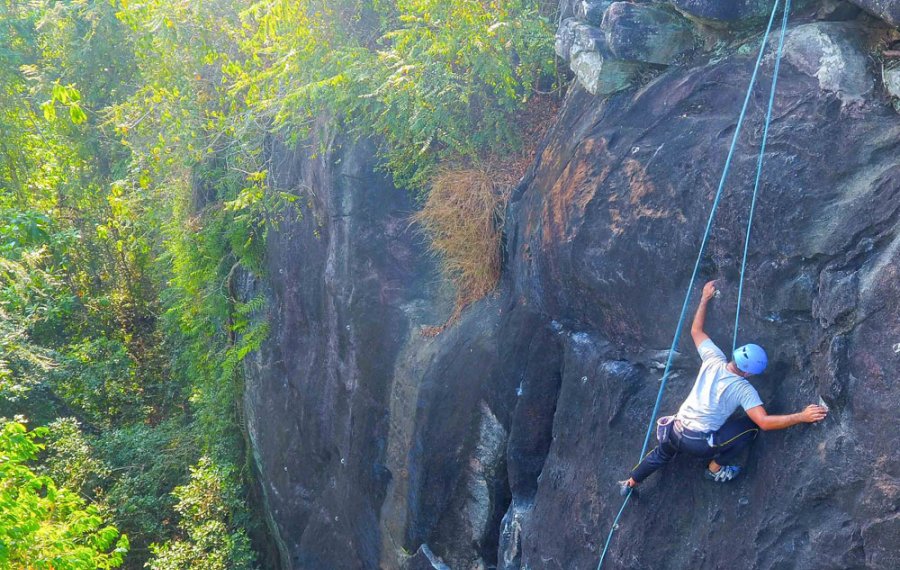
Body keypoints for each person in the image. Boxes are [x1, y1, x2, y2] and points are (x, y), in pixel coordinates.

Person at [620, 280, 828, 494]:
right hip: (698, 443)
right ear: (748, 373)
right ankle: (714, 469)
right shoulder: (743, 389)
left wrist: (704, 299)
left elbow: (696, 331)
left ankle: (630, 483)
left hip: (675, 430)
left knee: (661, 453)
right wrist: (801, 416)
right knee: (750, 428)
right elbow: (764, 422)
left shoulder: (713, 358)